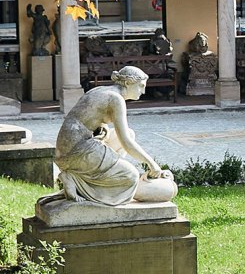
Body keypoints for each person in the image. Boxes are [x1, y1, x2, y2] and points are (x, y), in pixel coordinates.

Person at [49, 66, 177, 205]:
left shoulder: (102, 90)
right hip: (76, 153)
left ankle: (105, 174)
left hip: (68, 148)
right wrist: (152, 164)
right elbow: (126, 143)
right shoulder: (116, 99)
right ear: (127, 83)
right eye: (140, 86)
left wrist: (101, 130)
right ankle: (75, 179)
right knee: (131, 176)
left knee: (129, 133)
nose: (143, 91)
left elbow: (88, 119)